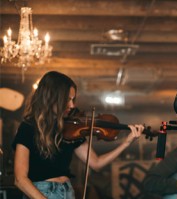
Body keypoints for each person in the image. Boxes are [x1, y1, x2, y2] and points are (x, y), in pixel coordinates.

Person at [11, 71, 145, 199]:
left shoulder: (72, 129)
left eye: (73, 99)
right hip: (40, 193)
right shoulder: (28, 128)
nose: (72, 105)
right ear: (52, 98)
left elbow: (96, 163)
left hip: (67, 192)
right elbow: (20, 179)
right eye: (67, 99)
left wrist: (126, 143)